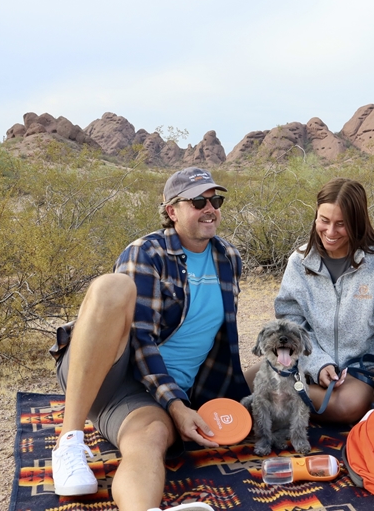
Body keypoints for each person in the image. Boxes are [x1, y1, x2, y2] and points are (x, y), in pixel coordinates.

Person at [48, 167, 250, 511]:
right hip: (108, 368)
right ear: (172, 211)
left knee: (151, 438)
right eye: (197, 201)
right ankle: (68, 441)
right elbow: (140, 340)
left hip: (150, 395)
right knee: (113, 286)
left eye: (215, 199)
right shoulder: (147, 252)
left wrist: (195, 403)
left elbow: (220, 343)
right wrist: (177, 405)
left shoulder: (228, 259)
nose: (210, 207)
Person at [270, 177, 374, 423]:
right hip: (307, 362)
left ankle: (280, 399)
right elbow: (290, 323)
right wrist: (316, 363)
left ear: (357, 223)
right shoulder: (299, 260)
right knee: (249, 377)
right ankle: (286, 397)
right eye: (324, 221)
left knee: (347, 406)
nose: (330, 232)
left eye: (341, 224)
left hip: (358, 372)